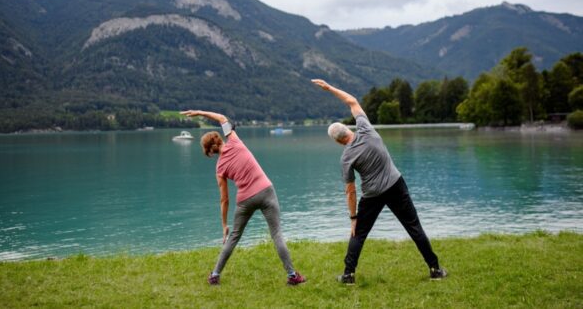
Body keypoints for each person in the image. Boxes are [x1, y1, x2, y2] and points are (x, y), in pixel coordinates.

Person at [311, 79, 448, 284]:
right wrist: (329, 88)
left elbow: (350, 191)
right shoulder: (366, 129)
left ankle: (348, 275)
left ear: (338, 142)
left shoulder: (346, 157)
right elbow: (352, 101)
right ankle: (435, 270)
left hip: (372, 194)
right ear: (348, 129)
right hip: (395, 185)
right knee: (414, 227)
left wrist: (353, 217)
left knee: (358, 234)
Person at [180, 109, 306, 286]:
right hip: (266, 190)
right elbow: (222, 118)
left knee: (234, 237)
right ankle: (292, 276)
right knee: (277, 234)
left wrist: (224, 225)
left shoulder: (219, 169)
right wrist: (200, 112)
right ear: (219, 138)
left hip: (245, 200)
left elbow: (224, 199)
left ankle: (215, 275)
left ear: (209, 150)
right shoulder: (234, 141)